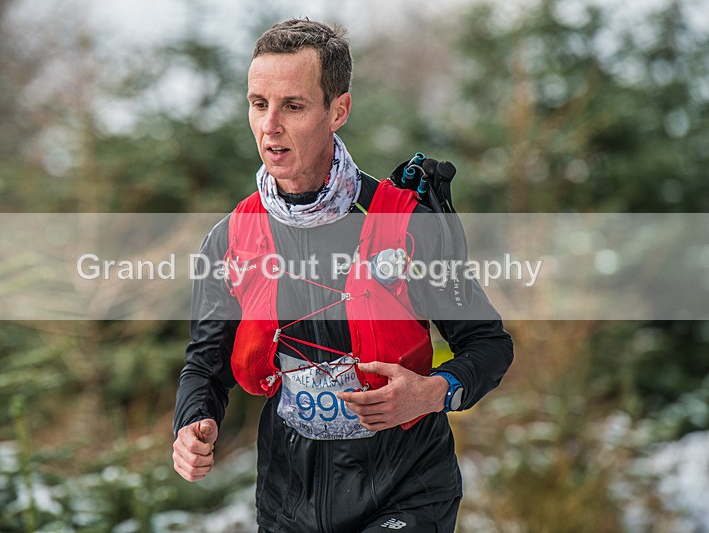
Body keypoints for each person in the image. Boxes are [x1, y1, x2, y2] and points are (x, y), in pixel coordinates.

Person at [172, 18, 513, 532]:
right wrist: (192, 422)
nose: (270, 126)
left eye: (293, 105)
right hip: (289, 497)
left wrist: (433, 390)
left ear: (338, 110)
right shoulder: (230, 239)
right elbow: (205, 364)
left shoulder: (405, 225)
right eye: (258, 103)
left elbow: (489, 345)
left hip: (405, 487)